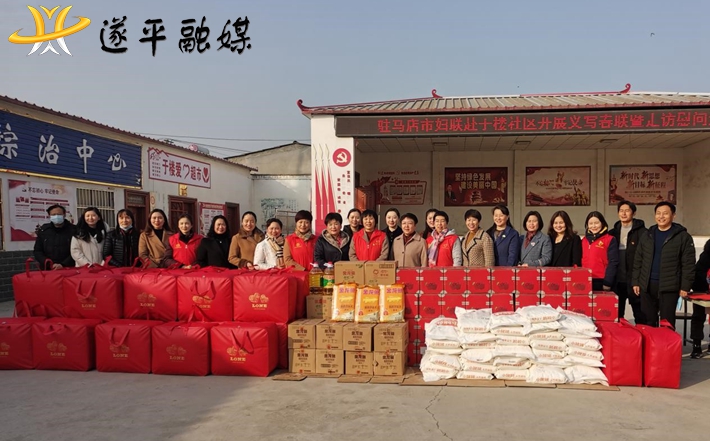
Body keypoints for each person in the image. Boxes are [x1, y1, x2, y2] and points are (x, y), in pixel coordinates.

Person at [632, 201, 696, 328]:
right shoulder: (647, 235)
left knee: (667, 323)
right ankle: (651, 342)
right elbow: (638, 260)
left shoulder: (683, 237)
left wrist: (685, 286)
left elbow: (688, 264)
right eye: (658, 213)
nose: (661, 216)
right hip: (647, 286)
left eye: (665, 213)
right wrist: (636, 281)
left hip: (669, 287)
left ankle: (667, 342)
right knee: (648, 321)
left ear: (673, 215)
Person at [609, 200, 647, 323]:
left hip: (635, 282)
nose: (623, 213)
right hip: (617, 281)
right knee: (617, 315)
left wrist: (639, 280)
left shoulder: (643, 233)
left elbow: (645, 258)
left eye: (627, 211)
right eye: (621, 211)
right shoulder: (612, 233)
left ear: (634, 213)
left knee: (640, 315)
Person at [582, 211, 619, 292]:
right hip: (585, 279)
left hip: (601, 280)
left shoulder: (610, 239)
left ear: (602, 223)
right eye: (590, 223)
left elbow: (613, 262)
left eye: (596, 223)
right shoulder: (584, 240)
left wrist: (608, 282)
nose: (593, 226)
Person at [33, 204, 76, 269]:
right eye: (53, 214)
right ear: (49, 216)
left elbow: (77, 251)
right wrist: (47, 262)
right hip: (47, 268)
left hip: (68, 268)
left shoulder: (73, 230)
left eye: (59, 214)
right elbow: (37, 251)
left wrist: (63, 264)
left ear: (64, 215)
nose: (56, 216)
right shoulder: (44, 230)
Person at [690, 239, 710, 358]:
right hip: (701, 290)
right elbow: (698, 274)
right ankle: (696, 345)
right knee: (698, 317)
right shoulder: (705, 257)